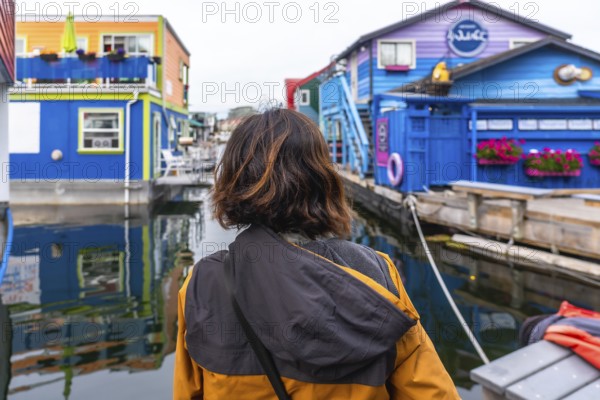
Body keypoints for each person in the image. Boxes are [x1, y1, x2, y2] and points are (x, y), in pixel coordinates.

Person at [173, 109, 460, 399]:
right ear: (322, 178)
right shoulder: (376, 274)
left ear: (235, 179)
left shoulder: (201, 285)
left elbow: (188, 393)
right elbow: (434, 394)